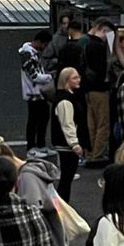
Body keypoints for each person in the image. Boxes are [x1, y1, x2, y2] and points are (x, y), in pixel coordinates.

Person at [50, 67, 88, 202]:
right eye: (74, 78)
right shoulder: (65, 101)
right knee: (66, 178)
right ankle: (61, 205)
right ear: (66, 80)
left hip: (65, 144)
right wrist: (74, 143)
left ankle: (61, 205)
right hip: (66, 145)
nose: (79, 80)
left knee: (67, 178)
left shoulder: (68, 97)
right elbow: (67, 124)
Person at [19, 30, 54, 151]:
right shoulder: (27, 55)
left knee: (42, 118)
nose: (44, 48)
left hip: (37, 92)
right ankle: (32, 146)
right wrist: (49, 77)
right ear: (39, 42)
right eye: (44, 44)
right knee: (34, 120)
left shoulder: (32, 53)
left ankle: (40, 144)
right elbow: (34, 76)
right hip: (33, 93)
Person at [84, 19, 113, 165]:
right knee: (103, 123)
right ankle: (98, 154)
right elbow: (103, 70)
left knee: (92, 124)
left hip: (89, 89)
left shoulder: (87, 44)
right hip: (100, 89)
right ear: (103, 30)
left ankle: (90, 153)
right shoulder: (99, 47)